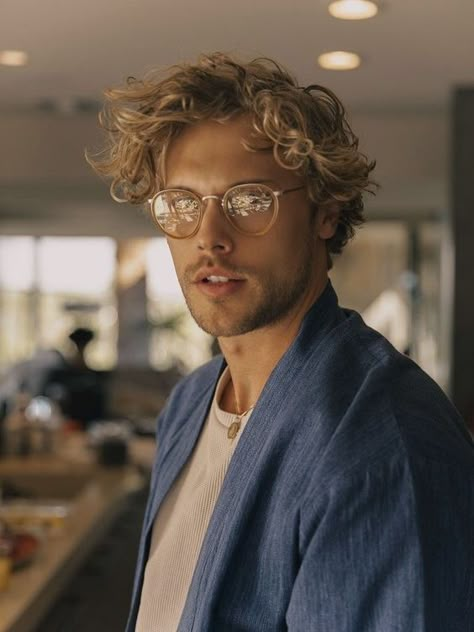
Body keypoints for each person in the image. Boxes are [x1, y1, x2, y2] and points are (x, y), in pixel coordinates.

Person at [88, 53, 474, 632]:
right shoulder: (192, 403)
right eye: (183, 204)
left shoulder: (381, 445)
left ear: (325, 211)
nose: (209, 239)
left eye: (250, 201)